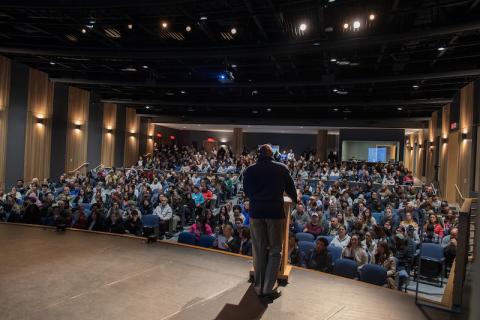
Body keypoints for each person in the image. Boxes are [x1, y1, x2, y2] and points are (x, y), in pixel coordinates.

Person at [243, 144, 297, 300]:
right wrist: (293, 201)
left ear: (259, 154)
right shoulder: (281, 168)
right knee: (275, 250)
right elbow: (291, 190)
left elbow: (246, 191)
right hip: (274, 213)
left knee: (259, 250)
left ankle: (258, 286)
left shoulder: (250, 170)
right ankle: (268, 288)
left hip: (256, 213)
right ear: (271, 153)